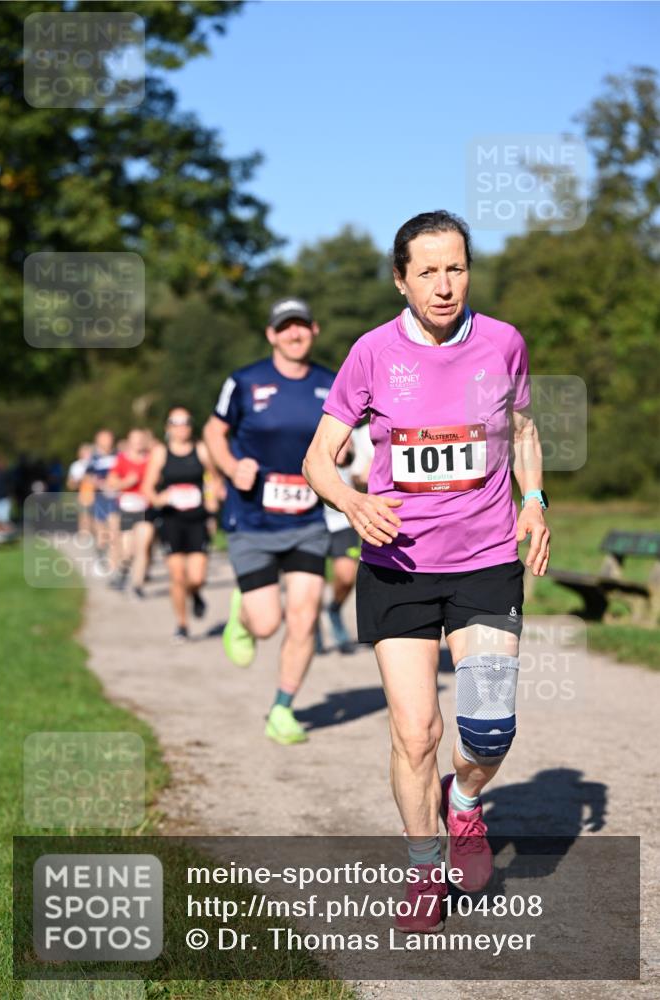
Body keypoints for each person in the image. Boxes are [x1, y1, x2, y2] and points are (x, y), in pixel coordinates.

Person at [303, 211, 550, 930]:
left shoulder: (502, 341)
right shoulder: (372, 353)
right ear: (400, 279)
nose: (444, 286)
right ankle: (421, 870)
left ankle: (465, 800)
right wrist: (350, 500)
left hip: (484, 562)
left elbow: (524, 431)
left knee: (488, 732)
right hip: (397, 568)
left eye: (456, 268)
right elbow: (318, 458)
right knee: (413, 732)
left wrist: (531, 501)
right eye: (427, 272)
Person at [205, 297, 335, 745]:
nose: (293, 334)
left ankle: (282, 708)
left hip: (306, 518)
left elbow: (342, 438)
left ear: (313, 330)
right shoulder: (244, 381)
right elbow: (213, 432)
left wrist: (346, 453)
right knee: (267, 624)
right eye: (285, 327)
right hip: (253, 519)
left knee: (304, 616)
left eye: (301, 326)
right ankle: (243, 616)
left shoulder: (330, 383)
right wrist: (228, 465)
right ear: (271, 334)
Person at [142, 407, 222, 642]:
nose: (181, 427)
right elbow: (148, 486)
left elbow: (215, 479)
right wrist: (158, 499)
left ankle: (195, 594)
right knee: (177, 576)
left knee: (197, 577)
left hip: (197, 519)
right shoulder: (160, 453)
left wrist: (212, 498)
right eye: (175, 423)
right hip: (171, 519)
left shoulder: (201, 449)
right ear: (168, 427)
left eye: (186, 422)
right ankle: (182, 624)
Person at [316, 422, 374, 655]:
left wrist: (363, 474)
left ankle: (334, 609)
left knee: (346, 576)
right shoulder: (314, 443)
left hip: (343, 523)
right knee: (311, 584)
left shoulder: (358, 442)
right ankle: (312, 629)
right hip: (314, 524)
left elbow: (362, 478)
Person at [106, 429, 153, 593]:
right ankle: (122, 571)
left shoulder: (151, 460)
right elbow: (111, 482)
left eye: (141, 439)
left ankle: (138, 585)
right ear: (129, 441)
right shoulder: (122, 460)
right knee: (128, 551)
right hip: (127, 508)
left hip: (146, 509)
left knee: (143, 547)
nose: (138, 442)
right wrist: (127, 482)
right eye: (135, 439)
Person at [84, 429, 119, 576]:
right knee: (102, 535)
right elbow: (88, 476)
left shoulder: (118, 455)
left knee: (114, 531)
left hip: (115, 498)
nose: (106, 441)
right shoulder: (94, 458)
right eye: (103, 438)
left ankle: (114, 566)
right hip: (100, 499)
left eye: (108, 438)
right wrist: (99, 483)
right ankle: (101, 556)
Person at [67, 443, 94, 537]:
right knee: (84, 515)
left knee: (96, 516)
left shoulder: (95, 463)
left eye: (88, 452)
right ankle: (84, 535)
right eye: (84, 452)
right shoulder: (76, 465)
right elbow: (71, 483)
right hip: (83, 492)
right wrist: (79, 481)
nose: (86, 454)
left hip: (97, 492)